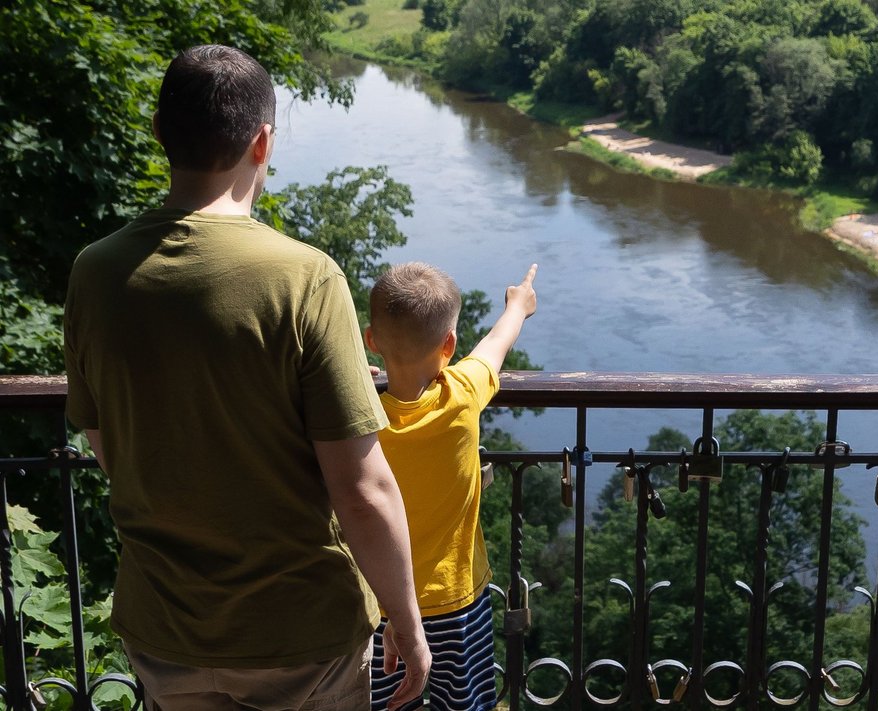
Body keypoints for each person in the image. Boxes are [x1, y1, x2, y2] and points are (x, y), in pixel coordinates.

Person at [63, 45, 430, 711]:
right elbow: (361, 488)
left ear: (159, 132)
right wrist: (406, 616)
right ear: (262, 142)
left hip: (167, 629)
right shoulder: (304, 277)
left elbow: (106, 442)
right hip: (302, 634)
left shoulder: (95, 271)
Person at [364, 261, 538, 711]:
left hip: (380, 608)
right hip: (456, 601)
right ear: (449, 345)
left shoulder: (358, 417)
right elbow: (497, 343)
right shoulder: (462, 393)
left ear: (371, 340)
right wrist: (519, 304)